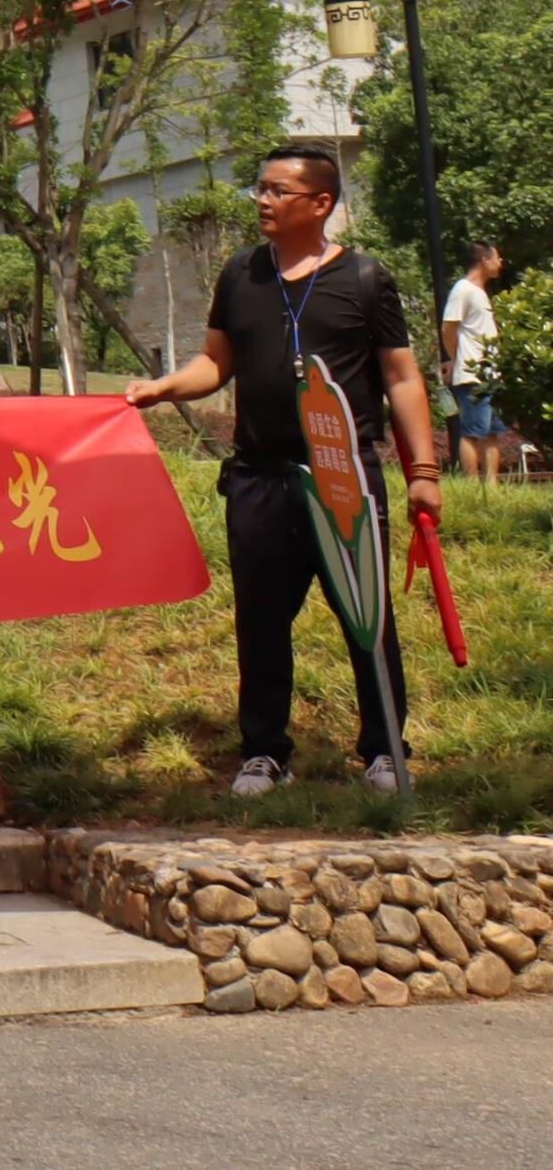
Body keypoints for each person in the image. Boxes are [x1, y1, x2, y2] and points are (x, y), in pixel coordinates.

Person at [126, 147, 443, 797]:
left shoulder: (364, 279)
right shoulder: (240, 273)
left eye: (278, 191)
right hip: (258, 478)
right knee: (260, 620)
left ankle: (384, 750)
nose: (262, 201)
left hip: (342, 478)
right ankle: (263, 751)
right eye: (259, 189)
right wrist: (163, 387)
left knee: (366, 614)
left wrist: (423, 469)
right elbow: (216, 362)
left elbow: (400, 375)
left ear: (319, 203)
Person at [442, 237, 506, 482]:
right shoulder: (463, 289)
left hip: (490, 374)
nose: (500, 262)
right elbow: (448, 328)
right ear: (484, 259)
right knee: (471, 432)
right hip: (472, 375)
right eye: (496, 257)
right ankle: (471, 485)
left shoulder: (479, 293)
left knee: (491, 432)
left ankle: (492, 487)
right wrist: (457, 359)